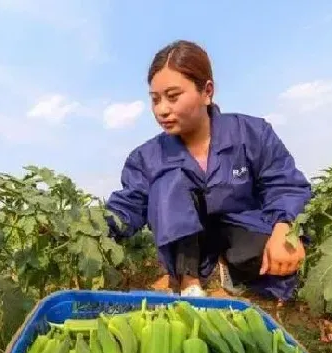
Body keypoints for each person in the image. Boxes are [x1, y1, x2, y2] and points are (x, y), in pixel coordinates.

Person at [105, 40, 312, 300]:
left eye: (173, 96)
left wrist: (285, 228)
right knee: (167, 180)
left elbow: (285, 185)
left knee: (258, 254)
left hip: (242, 231)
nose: (162, 110)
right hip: (188, 247)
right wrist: (93, 229)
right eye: (155, 99)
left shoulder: (252, 133)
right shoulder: (146, 157)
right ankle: (189, 282)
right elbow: (129, 206)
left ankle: (233, 272)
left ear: (207, 91)